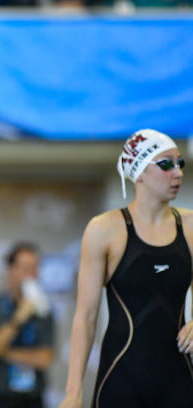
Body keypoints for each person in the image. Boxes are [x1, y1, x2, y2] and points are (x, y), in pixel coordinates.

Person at [60, 129, 193, 408]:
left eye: (179, 163)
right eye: (166, 164)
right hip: (121, 378)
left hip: (180, 381)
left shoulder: (191, 227)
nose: (178, 173)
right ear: (139, 172)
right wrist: (72, 393)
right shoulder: (105, 230)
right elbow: (85, 317)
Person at [0, 242, 54, 408]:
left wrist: (2, 352)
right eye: (26, 268)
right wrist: (19, 318)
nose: (31, 275)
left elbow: (44, 358)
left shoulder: (44, 310)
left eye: (35, 268)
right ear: (10, 270)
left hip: (34, 398)